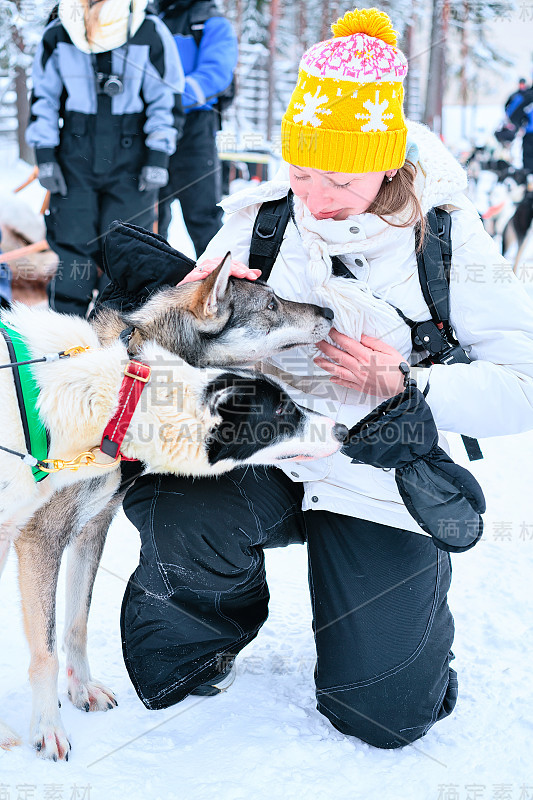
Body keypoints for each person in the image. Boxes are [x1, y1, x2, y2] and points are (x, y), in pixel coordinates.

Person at [113, 8, 533, 748]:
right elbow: (185, 341)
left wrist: (407, 385)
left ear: (388, 160)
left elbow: (521, 383)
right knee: (172, 500)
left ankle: (390, 628)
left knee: (384, 715)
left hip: (374, 480)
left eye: (338, 177)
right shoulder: (263, 220)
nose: (313, 195)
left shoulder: (445, 240)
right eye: (300, 171)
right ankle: (210, 626)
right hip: (263, 456)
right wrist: (179, 307)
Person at [26, 0, 185, 317]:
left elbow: (166, 98)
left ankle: (115, 341)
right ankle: (65, 337)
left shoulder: (149, 30)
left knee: (126, 253)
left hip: (133, 160)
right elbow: (43, 98)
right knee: (72, 250)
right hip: (74, 158)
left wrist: (158, 156)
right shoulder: (59, 33)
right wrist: (44, 154)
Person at [156, 0, 238, 254]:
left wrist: (165, 96)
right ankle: (147, 288)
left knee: (203, 218)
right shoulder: (149, 17)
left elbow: (215, 73)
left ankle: (218, 286)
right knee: (149, 218)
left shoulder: (210, 22)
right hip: (150, 127)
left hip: (195, 129)